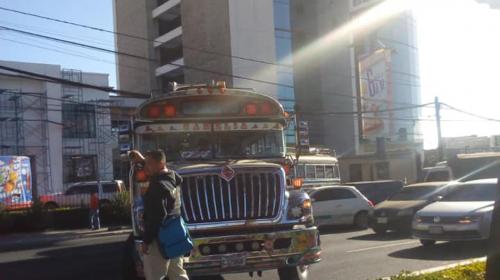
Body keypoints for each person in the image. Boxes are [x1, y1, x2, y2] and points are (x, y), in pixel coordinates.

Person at [141, 149, 189, 280]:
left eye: (149, 163)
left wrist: (146, 240)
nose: (146, 167)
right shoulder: (173, 178)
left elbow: (157, 216)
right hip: (175, 233)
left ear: (161, 163)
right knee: (178, 274)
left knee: (155, 275)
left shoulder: (157, 185)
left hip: (158, 237)